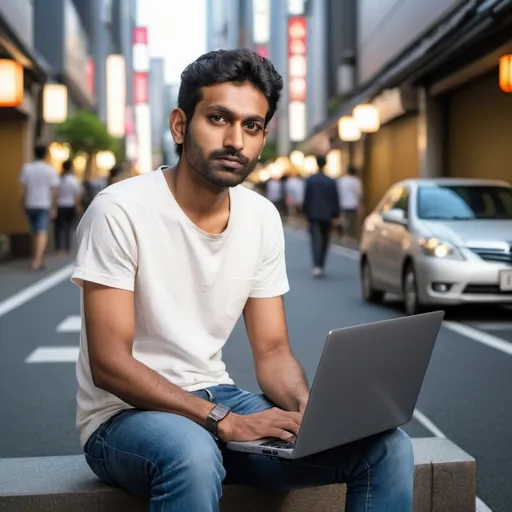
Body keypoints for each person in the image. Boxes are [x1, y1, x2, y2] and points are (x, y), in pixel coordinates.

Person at [72, 49, 413, 512]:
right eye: (218, 118)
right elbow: (109, 363)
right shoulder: (119, 210)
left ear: (262, 136)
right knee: (191, 453)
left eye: (251, 126)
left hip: (218, 397)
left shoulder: (261, 217)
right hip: (123, 417)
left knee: (387, 447)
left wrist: (310, 412)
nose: (235, 139)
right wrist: (221, 420)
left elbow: (272, 352)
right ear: (180, 125)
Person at [19, 144, 59, 270]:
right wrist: (54, 207)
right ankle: (37, 260)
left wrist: (21, 203)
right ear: (46, 154)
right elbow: (54, 190)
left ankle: (37, 258)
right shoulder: (50, 169)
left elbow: (23, 188)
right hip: (44, 203)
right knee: (42, 232)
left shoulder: (27, 168)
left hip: (30, 203)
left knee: (34, 231)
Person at [302, 156, 340, 278]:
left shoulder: (310, 180)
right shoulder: (330, 180)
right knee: (325, 239)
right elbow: (335, 198)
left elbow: (307, 198)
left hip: (313, 213)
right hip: (327, 214)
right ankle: (321, 264)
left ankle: (316, 265)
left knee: (314, 240)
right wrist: (336, 214)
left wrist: (305, 213)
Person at [54, 159, 82, 255]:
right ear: (71, 168)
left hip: (60, 205)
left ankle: (58, 249)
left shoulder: (59, 179)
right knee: (68, 227)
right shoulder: (74, 180)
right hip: (70, 205)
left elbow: (55, 193)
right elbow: (76, 195)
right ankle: (67, 248)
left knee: (58, 228)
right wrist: (78, 207)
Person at [337, 166, 364, 242]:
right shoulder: (356, 181)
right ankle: (351, 236)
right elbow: (359, 194)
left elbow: (338, 192)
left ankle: (345, 235)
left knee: (344, 220)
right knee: (352, 221)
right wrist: (360, 205)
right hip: (353, 204)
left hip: (343, 203)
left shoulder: (342, 180)